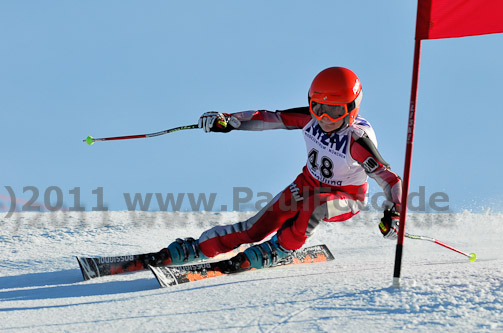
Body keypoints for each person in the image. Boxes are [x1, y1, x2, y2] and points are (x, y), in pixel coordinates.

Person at [156, 66, 402, 271]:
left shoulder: (356, 140)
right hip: (308, 183)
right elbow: (268, 118)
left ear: (351, 108)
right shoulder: (309, 119)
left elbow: (389, 179)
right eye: (318, 108)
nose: (325, 118)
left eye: (335, 111)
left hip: (347, 198)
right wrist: (228, 121)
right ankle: (200, 248)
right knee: (255, 227)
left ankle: (281, 248)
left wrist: (395, 214)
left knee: (313, 206)